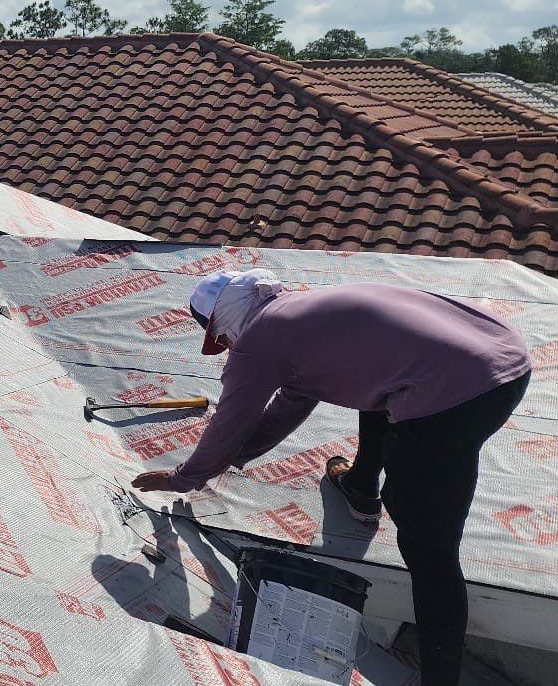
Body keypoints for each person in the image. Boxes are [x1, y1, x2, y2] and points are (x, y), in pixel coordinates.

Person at [132, 269, 530, 685]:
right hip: (506, 356)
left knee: (428, 547)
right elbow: (293, 399)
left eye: (221, 337)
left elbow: (230, 420)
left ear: (226, 320)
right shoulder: (301, 310)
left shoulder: (260, 340)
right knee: (377, 377)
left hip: (463, 393)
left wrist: (186, 476)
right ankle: (359, 485)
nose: (228, 347)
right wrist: (238, 454)